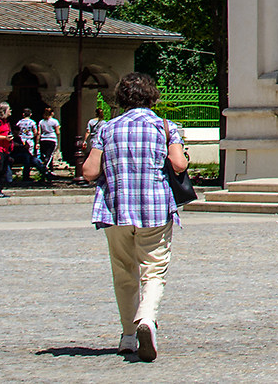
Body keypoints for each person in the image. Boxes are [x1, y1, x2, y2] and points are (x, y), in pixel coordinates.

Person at [82, 71, 188, 361]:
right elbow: (179, 164)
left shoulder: (106, 129)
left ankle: (128, 336)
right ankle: (147, 318)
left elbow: (90, 171)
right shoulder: (165, 127)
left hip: (116, 209)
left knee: (123, 271)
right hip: (154, 208)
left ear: (121, 98)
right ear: (152, 97)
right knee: (154, 269)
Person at [11, 109, 39, 185]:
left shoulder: (19, 122)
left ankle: (25, 173)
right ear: (30, 114)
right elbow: (35, 132)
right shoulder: (32, 122)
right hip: (29, 140)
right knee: (29, 157)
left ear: (23, 114)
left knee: (27, 157)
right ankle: (27, 174)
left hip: (22, 138)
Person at [37, 107, 63, 180]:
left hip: (43, 139)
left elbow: (39, 132)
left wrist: (37, 142)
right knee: (50, 155)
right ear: (52, 113)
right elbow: (58, 132)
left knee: (44, 154)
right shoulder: (55, 121)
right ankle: (45, 168)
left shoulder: (41, 122)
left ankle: (49, 171)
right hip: (51, 139)